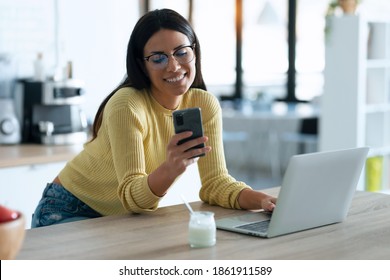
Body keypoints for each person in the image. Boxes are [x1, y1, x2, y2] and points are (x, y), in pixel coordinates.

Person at [31, 8, 276, 228]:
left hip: (120, 220)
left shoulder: (205, 103)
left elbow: (215, 184)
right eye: (158, 58)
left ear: (194, 52)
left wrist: (264, 200)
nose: (174, 66)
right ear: (142, 64)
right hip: (67, 209)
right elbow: (131, 197)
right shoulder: (127, 105)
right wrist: (170, 169)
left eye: (181, 52)